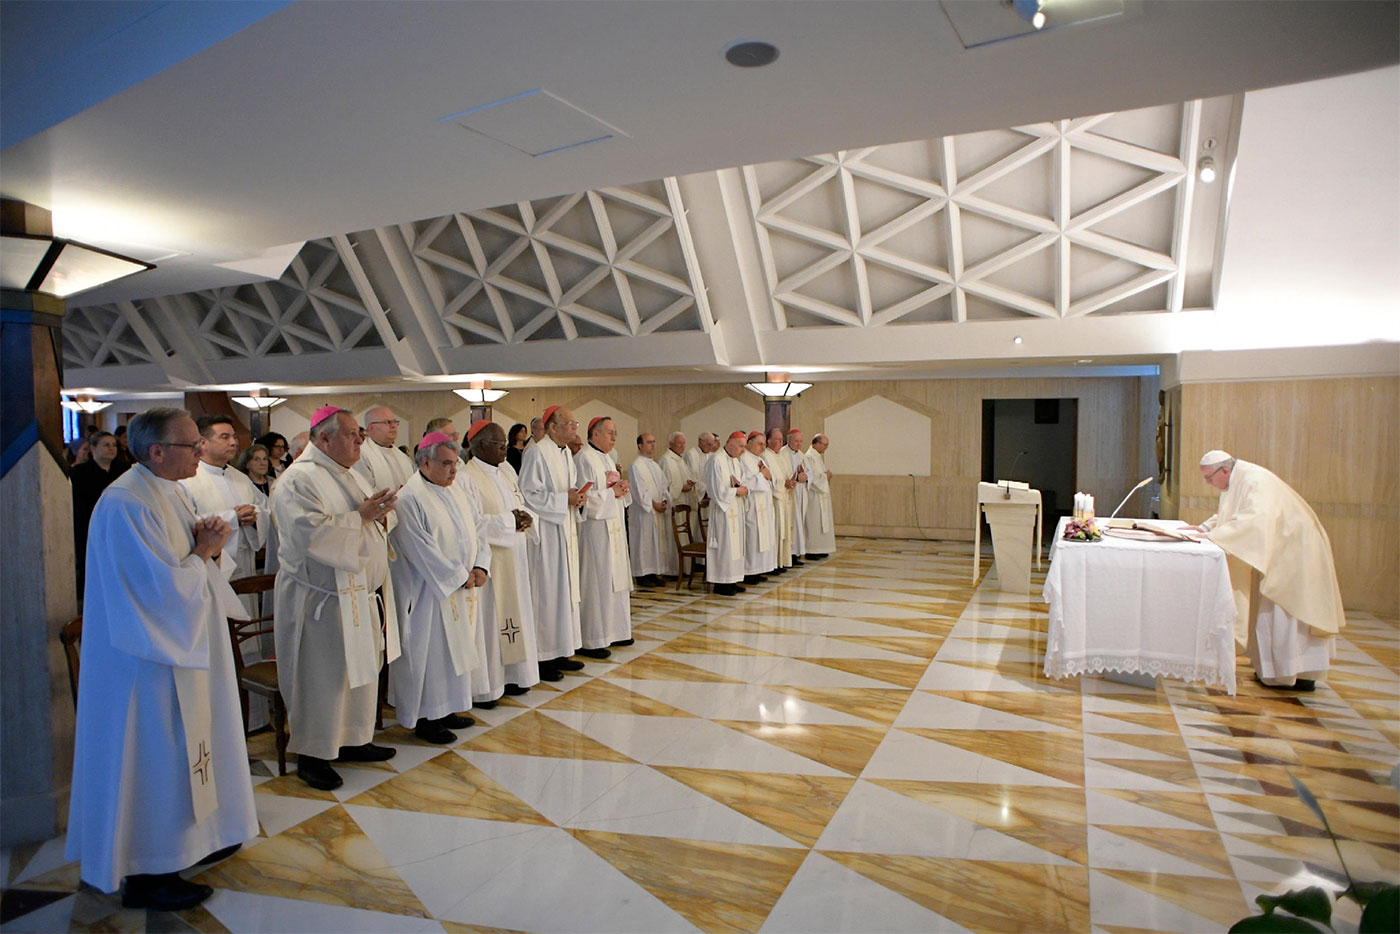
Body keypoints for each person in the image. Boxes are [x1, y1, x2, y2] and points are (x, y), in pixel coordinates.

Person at [67, 407, 256, 910]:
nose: (200, 453)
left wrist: (208, 549)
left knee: (186, 755)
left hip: (179, 651)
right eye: (191, 445)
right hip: (147, 663)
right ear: (156, 451)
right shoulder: (127, 504)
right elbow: (157, 591)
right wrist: (205, 552)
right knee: (155, 761)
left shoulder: (168, 490)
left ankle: (193, 842)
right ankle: (148, 871)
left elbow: (190, 561)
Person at [270, 407, 402, 790]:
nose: (360, 440)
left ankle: (354, 739)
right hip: (321, 601)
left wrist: (380, 514)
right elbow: (308, 534)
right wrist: (361, 517)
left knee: (358, 673)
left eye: (360, 433)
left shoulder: (348, 472)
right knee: (323, 678)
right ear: (324, 438)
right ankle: (314, 754)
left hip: (358, 594)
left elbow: (367, 520)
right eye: (351, 434)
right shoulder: (299, 480)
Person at [1194, 450, 1345, 690]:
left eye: (1209, 478)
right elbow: (1232, 516)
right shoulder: (1238, 480)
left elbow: (1253, 521)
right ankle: (1275, 672)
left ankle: (1296, 673)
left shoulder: (1255, 480)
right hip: (1281, 548)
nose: (1209, 484)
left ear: (1224, 470)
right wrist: (1204, 529)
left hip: (1293, 550)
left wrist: (1214, 536)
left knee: (1288, 609)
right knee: (1271, 611)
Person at [388, 432, 490, 743]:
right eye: (446, 464)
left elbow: (478, 528)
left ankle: (447, 708)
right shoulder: (410, 498)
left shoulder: (457, 490)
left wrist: (481, 565)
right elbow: (421, 549)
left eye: (455, 463)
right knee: (428, 654)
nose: (453, 470)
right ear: (425, 462)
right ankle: (425, 718)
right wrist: (459, 575)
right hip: (426, 594)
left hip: (460, 587)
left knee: (453, 651)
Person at [464, 421, 541, 704]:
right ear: (480, 446)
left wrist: (526, 518)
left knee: (514, 616)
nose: (504, 449)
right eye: (499, 445)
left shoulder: (505, 472)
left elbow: (519, 504)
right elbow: (470, 523)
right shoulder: (466, 477)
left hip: (513, 558)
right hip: (490, 564)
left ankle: (513, 676)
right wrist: (511, 521)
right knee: (491, 621)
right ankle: (490, 685)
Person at [518, 406, 589, 681]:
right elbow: (529, 495)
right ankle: (543, 658)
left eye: (575, 424)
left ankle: (561, 651)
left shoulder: (564, 453)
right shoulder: (537, 452)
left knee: (563, 594)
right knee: (547, 595)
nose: (574, 429)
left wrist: (577, 499)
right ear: (553, 427)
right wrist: (564, 501)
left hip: (565, 531)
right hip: (546, 535)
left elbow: (568, 490)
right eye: (570, 424)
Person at [181, 415, 270, 587]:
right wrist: (232, 517)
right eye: (225, 437)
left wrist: (255, 515)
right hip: (212, 564)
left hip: (246, 560)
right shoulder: (187, 480)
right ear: (203, 442)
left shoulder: (241, 478)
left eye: (234, 437)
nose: (234, 442)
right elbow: (186, 524)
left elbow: (266, 508)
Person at [575, 417, 633, 653]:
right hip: (595, 533)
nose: (614, 438)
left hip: (614, 528)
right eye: (610, 433)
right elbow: (584, 500)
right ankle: (594, 638)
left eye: (615, 433)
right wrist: (612, 494)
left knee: (615, 579)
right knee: (598, 582)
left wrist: (621, 491)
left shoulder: (608, 458)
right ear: (595, 434)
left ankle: (617, 631)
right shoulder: (584, 459)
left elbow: (614, 494)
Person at [71, 430, 129, 593]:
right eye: (106, 445)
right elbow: (78, 504)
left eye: (114, 445)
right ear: (93, 448)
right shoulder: (80, 472)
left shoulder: (123, 471)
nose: (111, 448)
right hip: (89, 526)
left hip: (117, 526)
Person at [703, 431, 749, 596]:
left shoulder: (735, 461)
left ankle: (733, 579)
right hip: (722, 513)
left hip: (735, 509)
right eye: (741, 446)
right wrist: (736, 492)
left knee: (735, 547)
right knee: (725, 547)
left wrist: (741, 488)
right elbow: (716, 491)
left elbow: (740, 482)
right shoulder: (716, 460)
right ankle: (721, 583)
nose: (743, 450)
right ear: (730, 444)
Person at [628, 432, 675, 587]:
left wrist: (664, 500)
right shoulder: (636, 466)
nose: (653, 445)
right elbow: (638, 491)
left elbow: (663, 485)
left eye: (654, 441)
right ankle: (642, 575)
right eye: (649, 442)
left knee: (656, 543)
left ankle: (654, 572)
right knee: (644, 543)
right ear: (640, 446)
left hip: (657, 511)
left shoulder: (654, 465)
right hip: (644, 513)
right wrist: (653, 504)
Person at [740, 430, 777, 583]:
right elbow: (747, 482)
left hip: (764, 506)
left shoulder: (760, 460)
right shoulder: (743, 459)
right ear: (749, 443)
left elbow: (770, 478)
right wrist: (763, 476)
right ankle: (750, 572)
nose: (762, 447)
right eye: (759, 444)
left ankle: (760, 569)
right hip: (753, 506)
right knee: (753, 538)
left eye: (764, 444)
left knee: (764, 538)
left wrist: (767, 476)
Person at [764, 428, 798, 573]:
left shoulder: (781, 456)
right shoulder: (765, 456)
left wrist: (790, 481)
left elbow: (785, 475)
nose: (780, 442)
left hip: (785, 498)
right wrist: (783, 483)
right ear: (768, 441)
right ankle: (774, 563)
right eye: (777, 439)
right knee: (777, 532)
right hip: (775, 500)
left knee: (785, 532)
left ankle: (782, 561)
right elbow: (769, 478)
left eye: (781, 439)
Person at [803, 433, 835, 559]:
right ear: (817, 443)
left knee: (821, 523)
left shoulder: (817, 457)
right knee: (814, 523)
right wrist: (825, 476)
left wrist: (825, 476)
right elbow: (812, 479)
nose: (826, 448)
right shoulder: (809, 457)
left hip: (820, 496)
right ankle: (812, 550)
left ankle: (821, 548)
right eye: (825, 445)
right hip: (814, 496)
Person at [786, 429, 809, 565]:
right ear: (789, 440)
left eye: (801, 441)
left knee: (799, 524)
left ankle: (797, 553)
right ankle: (790, 555)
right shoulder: (783, 454)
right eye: (796, 441)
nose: (799, 444)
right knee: (792, 525)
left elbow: (808, 472)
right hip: (791, 494)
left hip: (800, 493)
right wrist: (796, 478)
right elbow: (783, 474)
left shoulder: (801, 455)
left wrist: (805, 477)